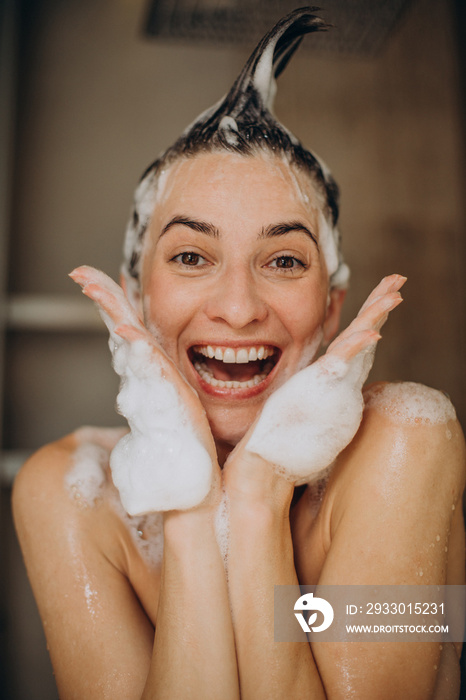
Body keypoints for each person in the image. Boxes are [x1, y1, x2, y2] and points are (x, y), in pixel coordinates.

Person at [12, 8, 465, 699]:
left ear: (331, 307)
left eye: (283, 260)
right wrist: (188, 505)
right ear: (136, 298)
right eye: (192, 255)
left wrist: (257, 498)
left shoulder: (407, 441)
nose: (238, 306)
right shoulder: (64, 491)